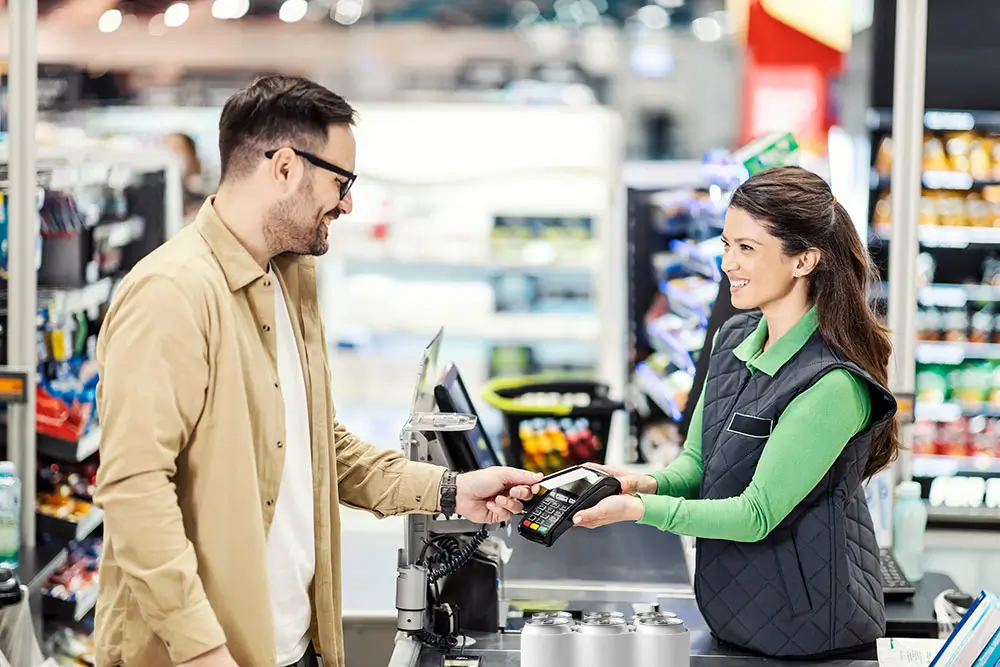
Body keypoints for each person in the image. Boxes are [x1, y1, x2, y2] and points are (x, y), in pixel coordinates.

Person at [93, 75, 543, 667]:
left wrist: (452, 490)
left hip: (292, 646)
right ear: (283, 167)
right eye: (341, 181)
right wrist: (202, 650)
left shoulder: (289, 281)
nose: (348, 203)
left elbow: (318, 449)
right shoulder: (172, 294)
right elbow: (134, 492)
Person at [575, 166, 899, 659]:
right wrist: (638, 482)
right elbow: (699, 464)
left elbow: (756, 514)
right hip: (735, 611)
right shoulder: (733, 341)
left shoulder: (833, 384)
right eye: (726, 244)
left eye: (747, 248)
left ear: (804, 260)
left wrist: (636, 511)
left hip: (808, 629)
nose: (729, 263)